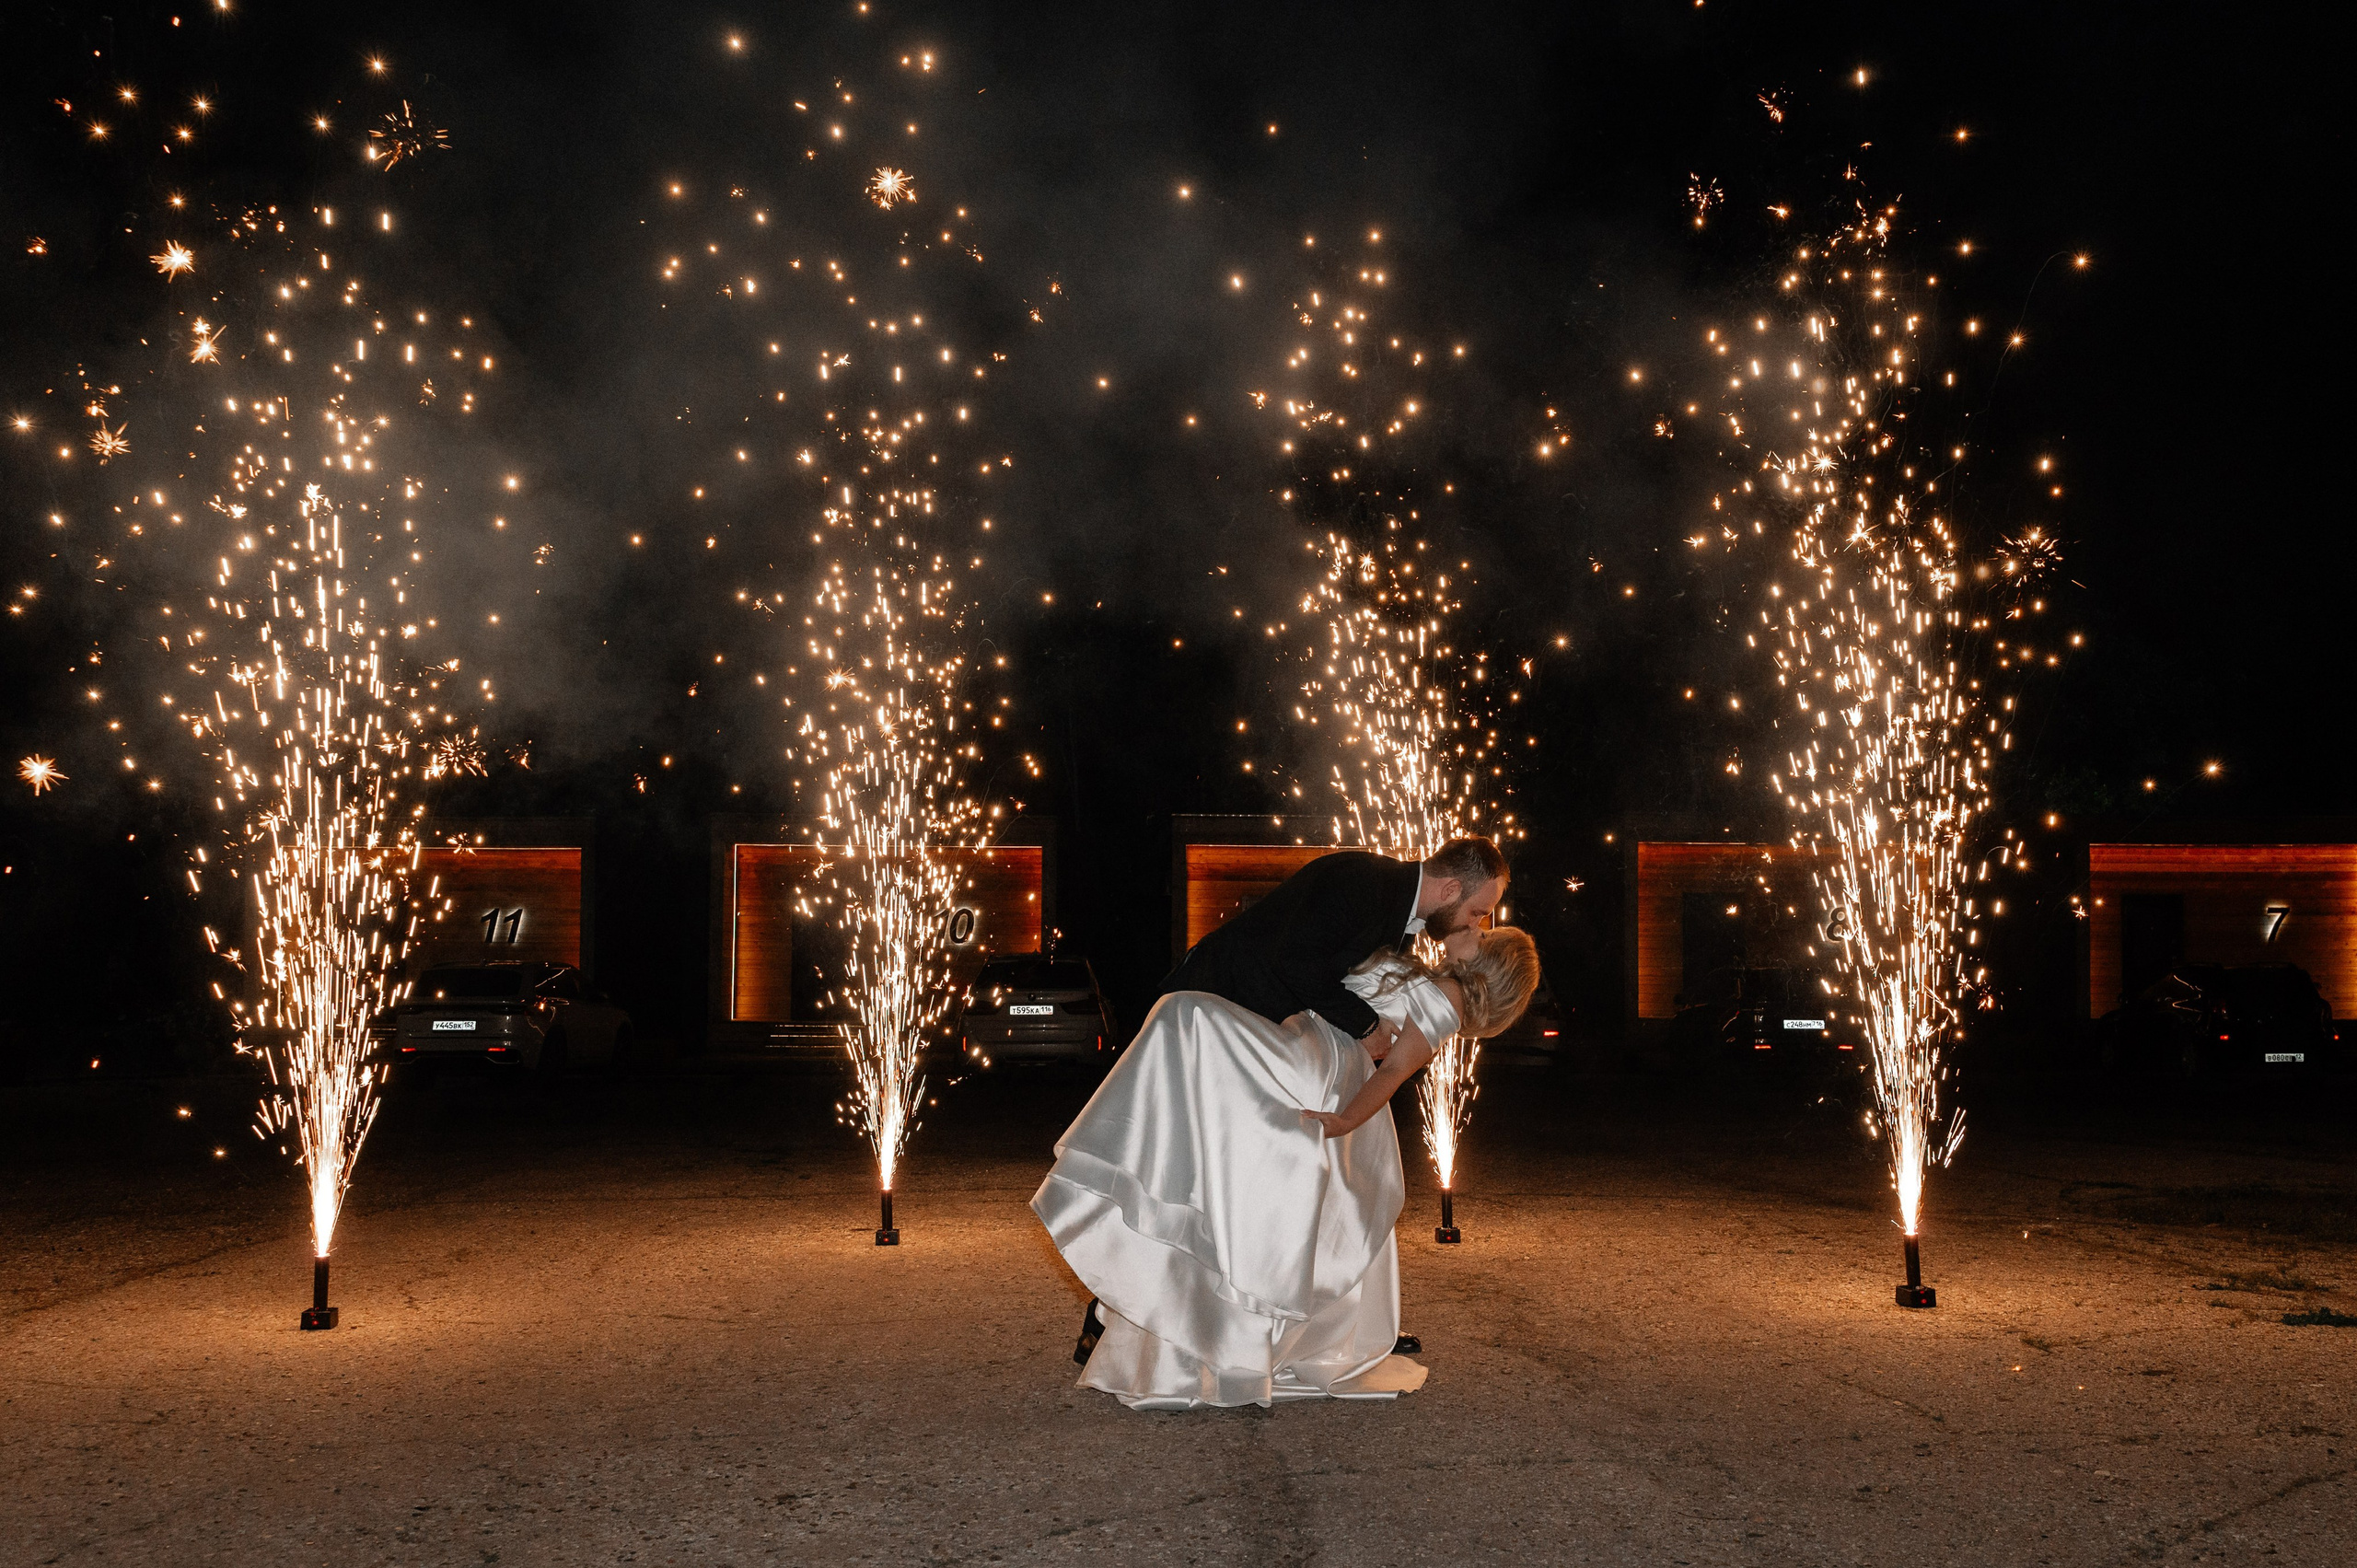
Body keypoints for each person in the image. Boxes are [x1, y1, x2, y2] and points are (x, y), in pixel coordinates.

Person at [1032, 876, 1540, 1410]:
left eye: (1486, 933)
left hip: (1318, 1065)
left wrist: (1342, 1123)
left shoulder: (1446, 1004)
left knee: (1185, 1018)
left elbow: (1392, 1074)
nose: (1476, 926)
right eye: (1480, 918)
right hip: (1304, 1038)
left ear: (1492, 966)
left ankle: (1174, 1287)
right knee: (1188, 1051)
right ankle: (1140, 1279)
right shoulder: (1428, 966)